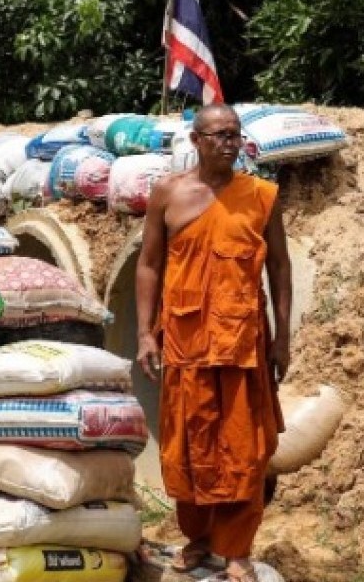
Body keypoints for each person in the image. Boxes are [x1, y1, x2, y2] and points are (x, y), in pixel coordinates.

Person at [135, 104, 292, 582]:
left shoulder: (261, 196)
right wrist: (144, 333)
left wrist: (283, 336)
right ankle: (199, 540)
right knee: (189, 446)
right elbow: (149, 265)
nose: (229, 143)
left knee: (243, 449)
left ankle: (237, 550)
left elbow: (279, 267)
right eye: (219, 135)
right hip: (185, 344)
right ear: (196, 140)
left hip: (243, 346)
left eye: (234, 135)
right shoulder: (169, 193)